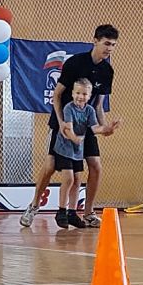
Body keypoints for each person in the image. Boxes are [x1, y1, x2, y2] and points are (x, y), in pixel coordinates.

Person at [19, 25, 120, 229]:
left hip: (85, 124)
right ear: (95, 41)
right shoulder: (75, 63)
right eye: (106, 43)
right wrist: (62, 123)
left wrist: (104, 127)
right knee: (50, 167)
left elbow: (98, 105)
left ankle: (88, 212)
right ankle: (34, 205)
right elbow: (57, 95)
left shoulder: (107, 71)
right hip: (64, 120)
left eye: (113, 45)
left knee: (96, 166)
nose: (109, 48)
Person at [53, 79, 105, 229]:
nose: (80, 96)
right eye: (78, 93)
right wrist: (75, 138)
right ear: (72, 93)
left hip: (77, 151)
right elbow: (67, 128)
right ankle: (61, 211)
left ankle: (72, 212)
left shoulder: (89, 110)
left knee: (77, 180)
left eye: (84, 94)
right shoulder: (69, 108)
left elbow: (94, 128)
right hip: (64, 148)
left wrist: (107, 128)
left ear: (89, 96)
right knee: (69, 178)